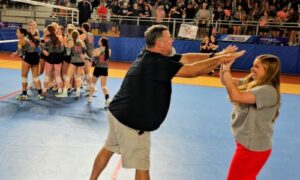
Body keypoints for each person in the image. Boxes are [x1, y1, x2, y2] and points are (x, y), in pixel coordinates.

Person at [89, 25, 245, 180]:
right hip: (132, 121)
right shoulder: (156, 62)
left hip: (117, 112)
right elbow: (192, 70)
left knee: (108, 148)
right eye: (169, 38)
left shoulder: (149, 55)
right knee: (142, 166)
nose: (173, 40)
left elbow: (187, 58)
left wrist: (216, 55)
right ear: (159, 43)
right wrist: (222, 59)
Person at [220, 54, 281, 180]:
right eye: (253, 65)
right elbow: (226, 81)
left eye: (256, 67)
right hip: (248, 144)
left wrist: (226, 70)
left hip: (253, 148)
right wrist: (223, 63)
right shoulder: (254, 82)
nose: (252, 69)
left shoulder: (268, 91)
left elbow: (236, 96)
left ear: (268, 71)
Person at [88, 37, 111, 108]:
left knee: (92, 84)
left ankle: (90, 98)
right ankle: (107, 100)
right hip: (105, 69)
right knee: (104, 86)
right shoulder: (109, 50)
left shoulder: (96, 50)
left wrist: (86, 57)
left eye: (99, 40)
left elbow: (92, 60)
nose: (98, 41)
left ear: (101, 43)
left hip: (97, 69)